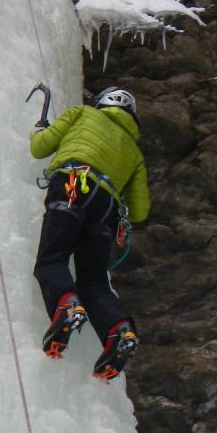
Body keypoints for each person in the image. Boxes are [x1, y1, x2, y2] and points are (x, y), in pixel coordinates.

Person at [29, 87, 149, 380]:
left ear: (101, 102)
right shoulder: (134, 153)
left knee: (52, 259)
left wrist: (39, 132)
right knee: (94, 282)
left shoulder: (81, 113)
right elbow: (140, 211)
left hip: (72, 186)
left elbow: (40, 148)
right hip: (105, 209)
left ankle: (67, 306)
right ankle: (119, 331)